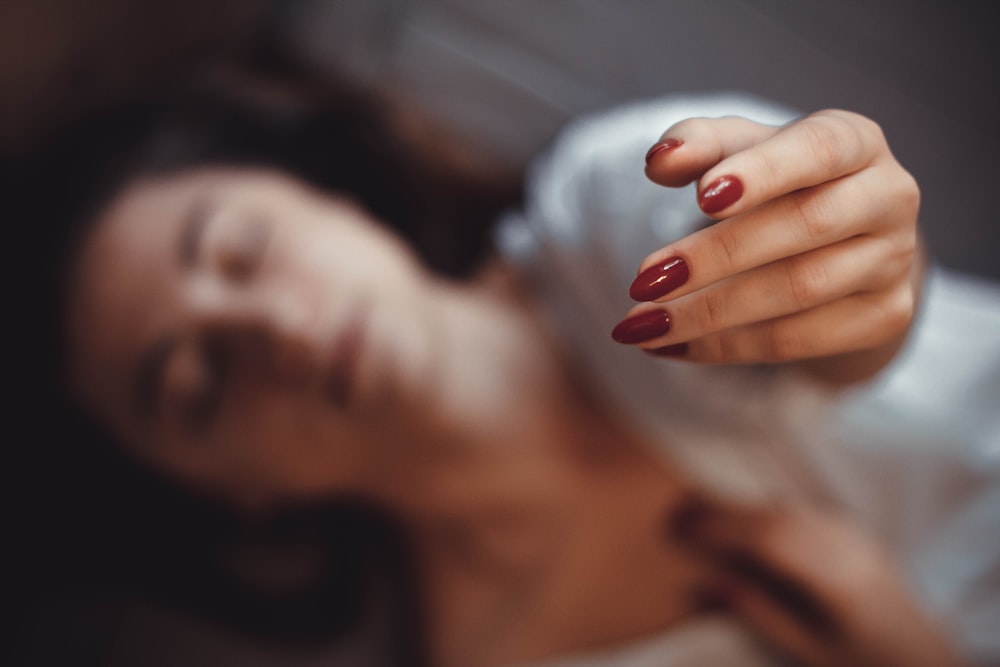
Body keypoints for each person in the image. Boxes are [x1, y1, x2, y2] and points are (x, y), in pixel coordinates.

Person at [17, 57, 998, 666]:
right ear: (228, 495)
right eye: (194, 384)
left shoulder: (604, 217)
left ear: (329, 191)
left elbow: (827, 292)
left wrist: (856, 255)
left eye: (241, 249)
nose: (272, 330)